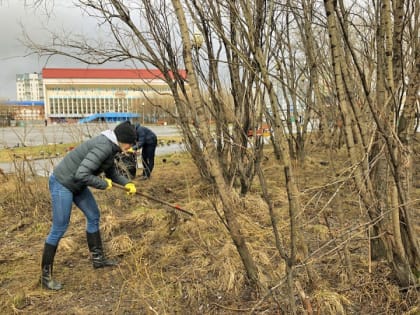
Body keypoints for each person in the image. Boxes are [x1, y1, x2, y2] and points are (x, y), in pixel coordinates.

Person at [41, 120, 138, 290]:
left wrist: (126, 183)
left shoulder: (111, 147)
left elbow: (111, 171)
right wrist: (103, 184)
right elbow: (82, 173)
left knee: (93, 216)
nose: (130, 147)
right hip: (62, 183)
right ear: (123, 140)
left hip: (77, 184)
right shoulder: (104, 146)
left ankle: (98, 260)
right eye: (130, 143)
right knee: (60, 227)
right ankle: (45, 276)